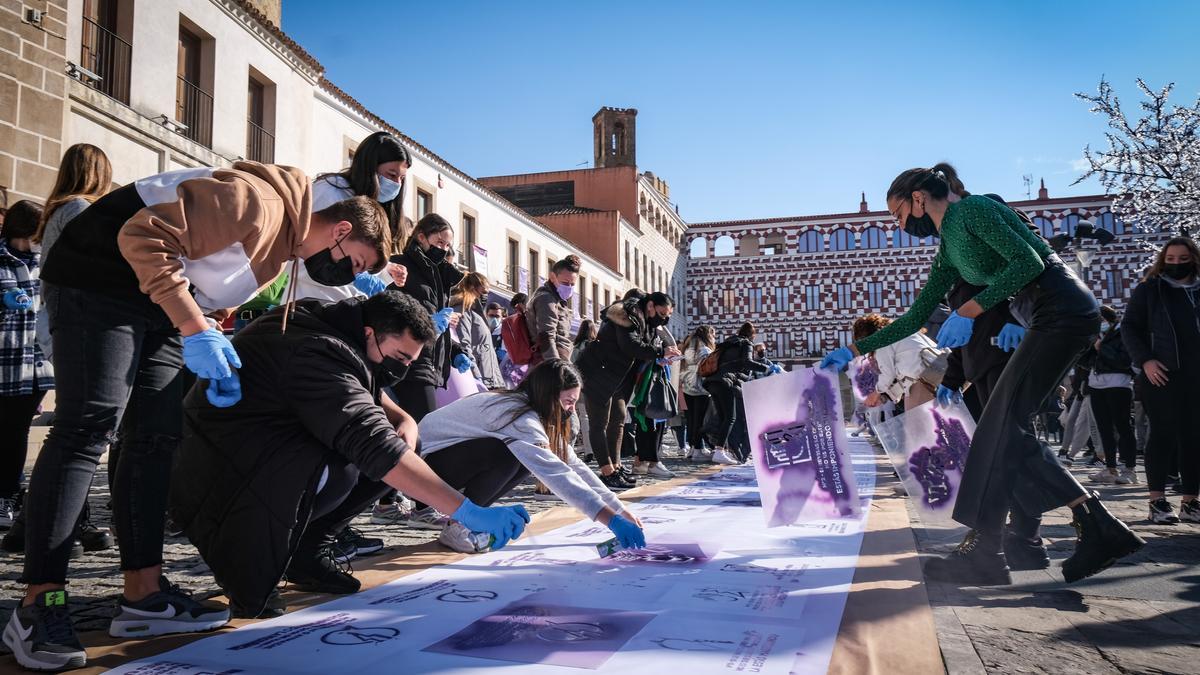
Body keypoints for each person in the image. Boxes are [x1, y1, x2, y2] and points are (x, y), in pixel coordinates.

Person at [3, 162, 391, 672]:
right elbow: (143, 236)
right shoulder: (256, 202)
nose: (350, 276)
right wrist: (193, 328)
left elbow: (201, 280)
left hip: (153, 305)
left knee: (157, 437)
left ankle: (143, 593)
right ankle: (40, 603)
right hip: (96, 280)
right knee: (88, 427)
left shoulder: (281, 251)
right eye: (355, 262)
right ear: (341, 231)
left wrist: (204, 328)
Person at [821, 163, 1142, 586]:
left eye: (897, 214)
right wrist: (855, 348)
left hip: (1060, 309)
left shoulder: (971, 210)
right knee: (998, 431)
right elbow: (917, 315)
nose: (899, 225)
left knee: (1003, 426)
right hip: (1042, 313)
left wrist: (972, 309)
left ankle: (1087, 527)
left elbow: (1028, 260)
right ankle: (999, 546)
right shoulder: (948, 247)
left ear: (918, 197)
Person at [169, 291, 530, 618]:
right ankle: (249, 564)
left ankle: (307, 550)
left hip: (260, 440)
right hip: (220, 470)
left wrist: (404, 417)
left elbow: (361, 384)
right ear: (371, 333)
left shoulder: (342, 327)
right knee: (349, 465)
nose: (402, 368)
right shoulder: (319, 352)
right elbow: (374, 443)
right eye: (400, 357)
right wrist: (467, 511)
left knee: (401, 442)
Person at [3, 146, 114, 557]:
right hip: (81, 327)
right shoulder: (81, 210)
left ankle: (36, 525)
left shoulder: (57, 211)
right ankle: (64, 524)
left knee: (74, 429)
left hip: (62, 327)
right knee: (81, 432)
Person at [419, 359, 643, 552]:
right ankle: (459, 524)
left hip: (440, 465)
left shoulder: (528, 412)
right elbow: (558, 475)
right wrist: (610, 520)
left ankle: (470, 518)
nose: (572, 410)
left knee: (523, 457)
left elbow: (573, 466)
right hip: (421, 471)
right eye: (568, 402)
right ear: (548, 395)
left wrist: (619, 510)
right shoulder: (518, 416)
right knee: (507, 454)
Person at [373, 213, 469, 528]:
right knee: (420, 432)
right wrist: (432, 323)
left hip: (429, 358)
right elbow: (399, 310)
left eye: (448, 244)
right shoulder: (404, 266)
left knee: (407, 432)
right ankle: (421, 504)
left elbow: (437, 318)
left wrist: (454, 350)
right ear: (422, 237)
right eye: (439, 242)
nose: (444, 248)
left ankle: (386, 500)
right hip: (409, 358)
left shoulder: (438, 274)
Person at [1122, 236, 1200, 524]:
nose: (1177, 264)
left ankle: (1191, 501)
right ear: (1162, 260)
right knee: (1162, 434)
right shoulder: (1150, 289)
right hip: (1162, 373)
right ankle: (1157, 501)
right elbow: (1130, 326)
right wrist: (1146, 360)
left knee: (1193, 437)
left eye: (1183, 259)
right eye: (1171, 259)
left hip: (1196, 374)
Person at [284, 131, 412, 304]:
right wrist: (350, 274)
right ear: (370, 167)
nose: (396, 184)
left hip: (341, 310)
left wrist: (383, 270)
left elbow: (354, 257)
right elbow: (297, 255)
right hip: (308, 305)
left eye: (401, 178)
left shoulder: (370, 207)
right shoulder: (330, 193)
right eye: (391, 175)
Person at [577, 291, 679, 488]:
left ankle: (615, 466)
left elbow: (643, 348)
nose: (664, 318)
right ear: (650, 306)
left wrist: (661, 356)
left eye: (667, 315)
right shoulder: (626, 315)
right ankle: (607, 472)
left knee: (619, 419)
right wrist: (659, 352)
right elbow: (630, 346)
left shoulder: (647, 322)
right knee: (600, 423)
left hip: (618, 377)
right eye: (662, 313)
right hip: (599, 372)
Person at [0, 202, 52, 529]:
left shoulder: (45, 265)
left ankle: (8, 496)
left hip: (33, 368)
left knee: (15, 433)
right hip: (4, 363)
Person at [703, 322, 769, 465]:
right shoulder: (746, 344)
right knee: (730, 418)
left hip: (712, 382)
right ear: (753, 335)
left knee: (722, 418)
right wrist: (766, 368)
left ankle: (720, 451)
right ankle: (720, 450)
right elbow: (747, 362)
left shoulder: (728, 343)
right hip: (725, 382)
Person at [1086, 306, 1137, 486]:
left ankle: (1129, 469)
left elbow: (1124, 360)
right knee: (1104, 428)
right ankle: (1110, 468)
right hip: (1096, 383)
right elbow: (1086, 361)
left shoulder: (1122, 333)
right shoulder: (1096, 336)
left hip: (1118, 383)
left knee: (1123, 426)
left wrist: (1101, 348)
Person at [853, 314, 945, 411]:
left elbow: (888, 374)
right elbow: (905, 373)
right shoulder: (900, 331)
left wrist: (875, 393)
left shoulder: (881, 341)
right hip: (941, 367)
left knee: (916, 421)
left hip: (925, 377)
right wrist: (884, 396)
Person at [450, 272, 503, 389]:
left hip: (489, 377)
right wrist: (476, 376)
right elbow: (464, 344)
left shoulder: (477, 313)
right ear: (472, 288)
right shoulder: (463, 310)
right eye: (483, 292)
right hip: (479, 378)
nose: (485, 296)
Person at [527, 255, 581, 365]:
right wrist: (556, 366)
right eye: (565, 283)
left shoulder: (557, 300)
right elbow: (546, 336)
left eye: (572, 284)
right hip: (550, 363)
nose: (569, 287)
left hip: (558, 360)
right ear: (552, 277)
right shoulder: (546, 299)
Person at [680, 325, 716, 463]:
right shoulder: (705, 350)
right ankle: (698, 449)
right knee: (700, 420)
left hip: (686, 386)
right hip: (700, 388)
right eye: (713, 334)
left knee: (690, 420)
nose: (714, 337)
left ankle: (692, 448)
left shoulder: (688, 347)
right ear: (708, 335)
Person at [571, 319, 598, 462]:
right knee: (598, 419)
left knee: (584, 418)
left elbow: (573, 367)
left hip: (582, 386)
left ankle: (589, 450)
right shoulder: (597, 346)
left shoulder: (576, 347)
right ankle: (598, 447)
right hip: (596, 387)